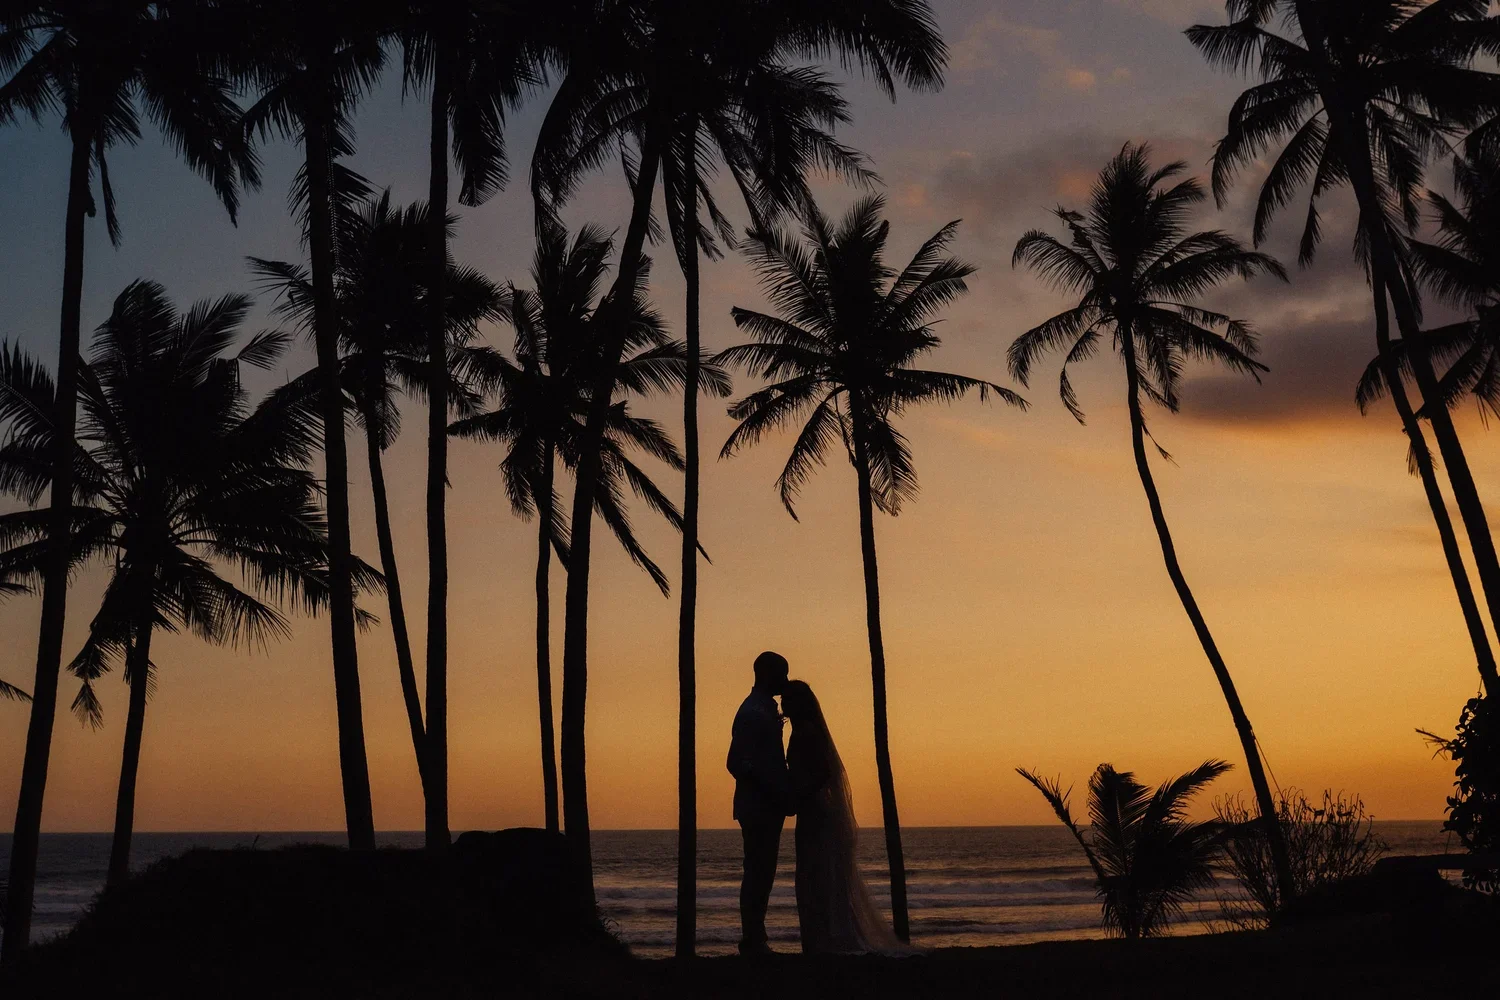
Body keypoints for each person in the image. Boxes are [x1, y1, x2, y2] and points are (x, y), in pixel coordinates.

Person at [782, 680, 914, 955]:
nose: (783, 703)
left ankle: (821, 942)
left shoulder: (805, 734)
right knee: (816, 877)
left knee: (815, 877)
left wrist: (796, 795)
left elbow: (821, 775)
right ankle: (822, 941)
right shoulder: (806, 732)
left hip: (815, 814)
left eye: (788, 698)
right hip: (812, 813)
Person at [726, 651, 791, 955]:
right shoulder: (753, 712)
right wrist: (772, 789)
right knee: (757, 872)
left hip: (767, 806)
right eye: (782, 674)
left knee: (762, 872)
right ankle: (753, 939)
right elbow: (737, 762)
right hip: (758, 806)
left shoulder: (764, 709)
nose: (786, 681)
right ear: (766, 674)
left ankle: (756, 936)